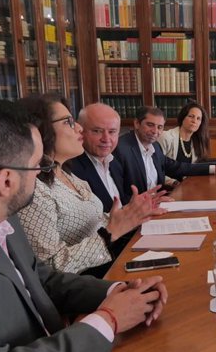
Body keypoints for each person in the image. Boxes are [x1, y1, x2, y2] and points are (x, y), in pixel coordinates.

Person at [0, 97, 168, 352]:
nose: (45, 175)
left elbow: (41, 278)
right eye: (37, 169)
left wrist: (117, 291)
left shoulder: (2, 218)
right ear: (5, 181)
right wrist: (109, 320)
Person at [17, 96, 165, 277]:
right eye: (68, 122)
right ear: (38, 130)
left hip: (110, 264)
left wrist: (133, 212)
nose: (79, 129)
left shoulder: (66, 173)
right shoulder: (32, 189)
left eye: (112, 132)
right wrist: (111, 233)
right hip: (85, 285)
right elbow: (49, 268)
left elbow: (97, 219)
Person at [114, 106, 216, 196]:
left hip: (157, 204)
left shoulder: (154, 147)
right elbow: (118, 195)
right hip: (136, 213)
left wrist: (215, 169)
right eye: (150, 125)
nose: (155, 131)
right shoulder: (121, 149)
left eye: (160, 127)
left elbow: (178, 167)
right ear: (137, 124)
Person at [69, 102, 128, 213]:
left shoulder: (114, 161)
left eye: (112, 132)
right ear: (80, 131)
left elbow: (119, 204)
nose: (106, 139)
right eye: (97, 131)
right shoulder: (71, 169)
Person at [157, 102, 213, 184]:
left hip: (188, 186)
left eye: (198, 119)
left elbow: (193, 169)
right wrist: (173, 183)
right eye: (191, 116)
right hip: (167, 188)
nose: (194, 121)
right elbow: (156, 169)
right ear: (183, 117)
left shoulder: (196, 141)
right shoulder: (166, 137)